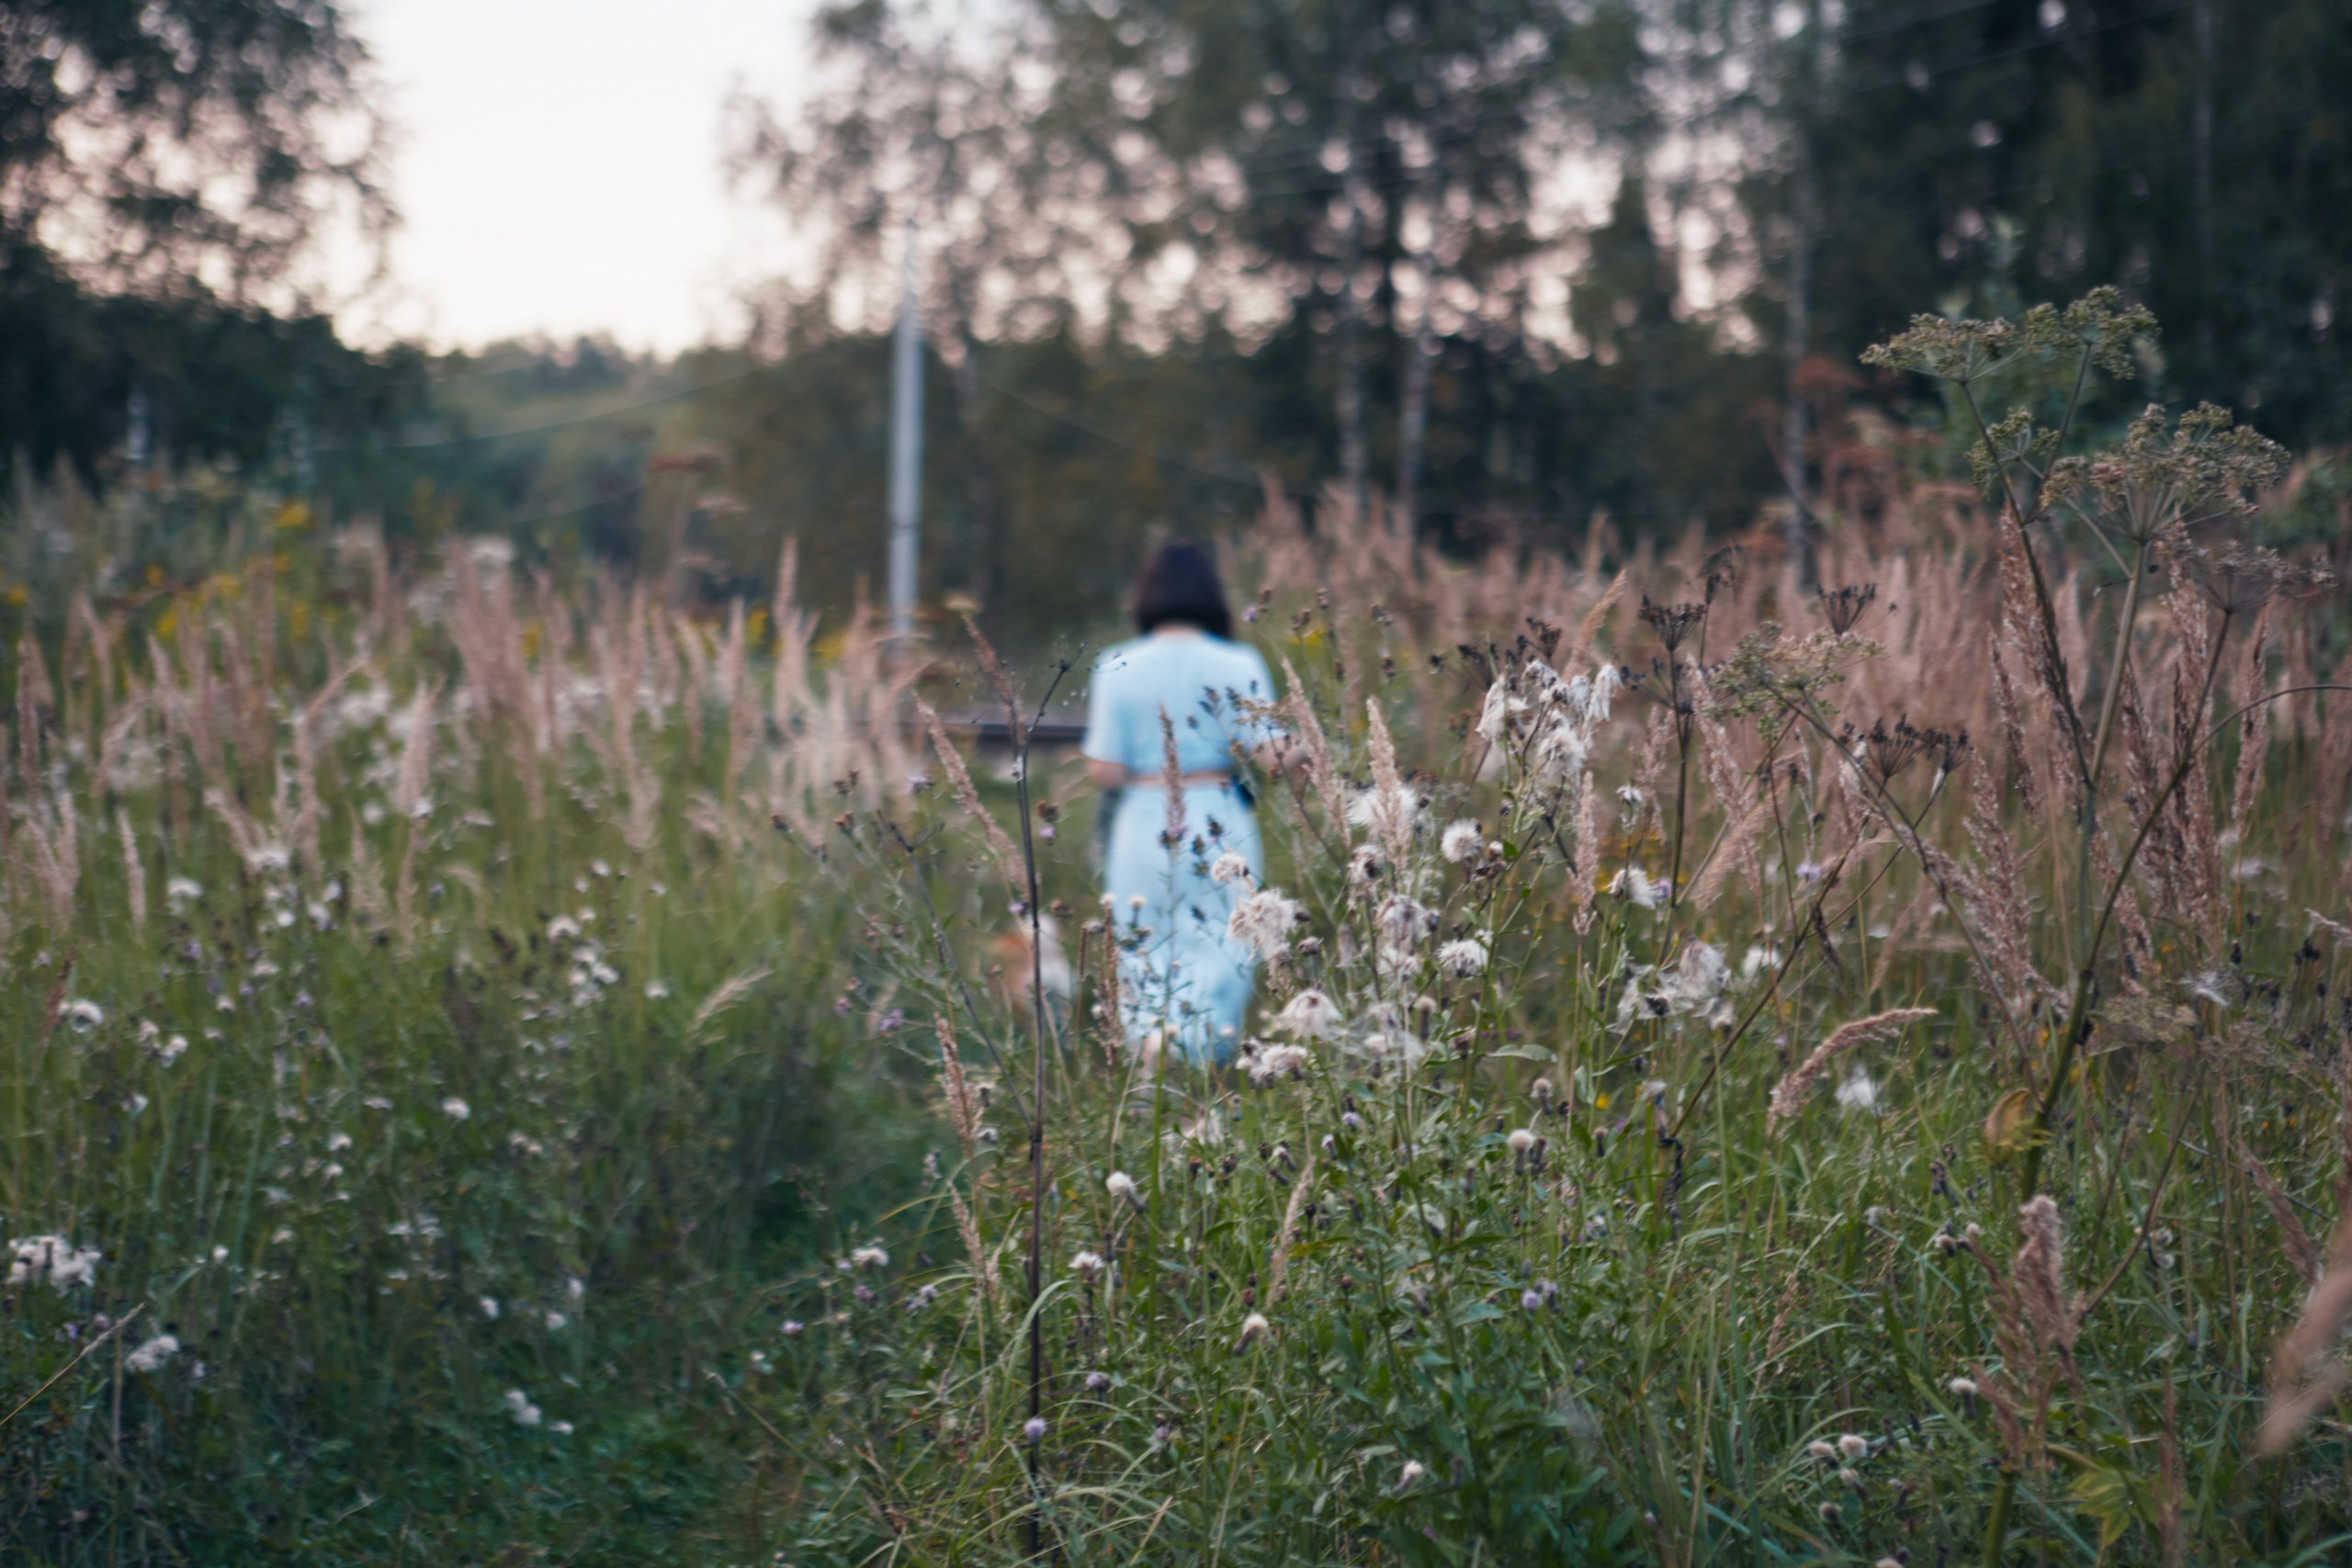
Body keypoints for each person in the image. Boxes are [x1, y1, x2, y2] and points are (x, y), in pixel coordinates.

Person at [1081, 542, 1280, 1066]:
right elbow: (1273, 756)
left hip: (1142, 819)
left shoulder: (1115, 663)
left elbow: (1103, 769)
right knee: (1224, 941)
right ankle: (1202, 1069)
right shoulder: (1239, 661)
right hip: (1217, 815)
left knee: (1142, 946)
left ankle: (1153, 1056)